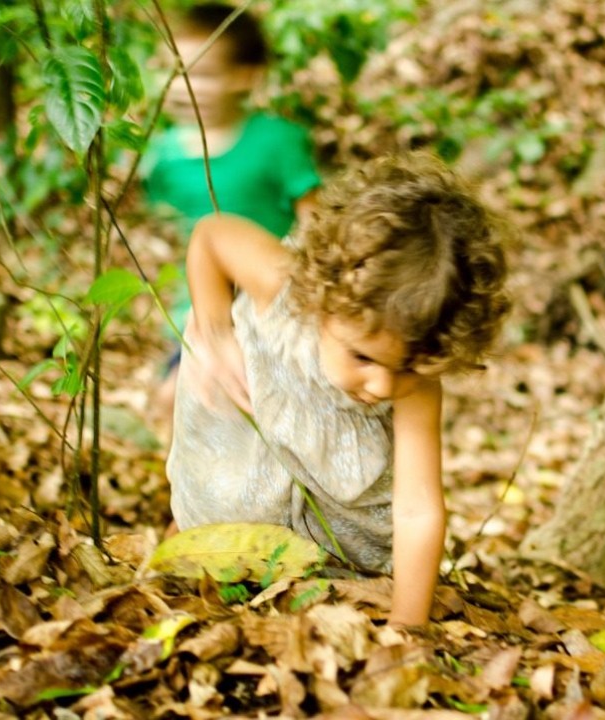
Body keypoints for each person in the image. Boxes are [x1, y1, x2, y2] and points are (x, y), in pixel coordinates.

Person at [167, 153, 511, 626]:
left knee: (338, 574)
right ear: (325, 296)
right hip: (251, 434)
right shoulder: (285, 287)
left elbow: (417, 509)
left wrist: (408, 627)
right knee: (204, 510)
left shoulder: (417, 387)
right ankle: (186, 545)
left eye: (409, 367)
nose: (383, 385)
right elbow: (213, 234)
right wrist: (214, 327)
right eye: (363, 357)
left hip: (335, 513)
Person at [140, 2, 321, 427]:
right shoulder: (162, 157)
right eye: (175, 73)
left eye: (201, 74)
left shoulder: (277, 140)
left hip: (272, 300)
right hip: (200, 307)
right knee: (176, 401)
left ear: (244, 76)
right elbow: (166, 229)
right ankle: (181, 492)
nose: (186, 88)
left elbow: (314, 218)